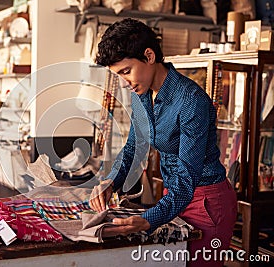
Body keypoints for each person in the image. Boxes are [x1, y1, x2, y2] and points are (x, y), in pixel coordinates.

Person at [90, 18, 237, 267]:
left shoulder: (191, 100)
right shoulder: (141, 93)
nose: (124, 83)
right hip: (174, 197)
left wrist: (152, 217)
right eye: (118, 75)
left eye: (126, 71)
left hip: (207, 203)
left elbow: (188, 174)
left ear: (149, 56)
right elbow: (134, 147)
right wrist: (111, 182)